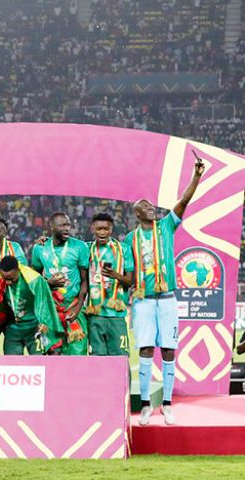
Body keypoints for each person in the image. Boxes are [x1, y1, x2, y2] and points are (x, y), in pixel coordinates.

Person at [128, 157, 204, 426]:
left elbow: (183, 202)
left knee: (169, 351)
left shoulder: (166, 226)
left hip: (168, 299)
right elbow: (125, 267)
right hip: (144, 301)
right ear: (138, 214)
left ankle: (168, 405)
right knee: (146, 349)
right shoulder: (131, 239)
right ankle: (147, 405)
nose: (151, 208)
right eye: (145, 206)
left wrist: (196, 176)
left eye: (150, 205)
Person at [31, 212, 90, 355]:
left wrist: (78, 307)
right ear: (51, 227)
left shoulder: (80, 247)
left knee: (77, 354)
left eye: (68, 225)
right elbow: (35, 280)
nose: (67, 228)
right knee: (52, 354)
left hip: (73, 308)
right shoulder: (39, 248)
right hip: (50, 309)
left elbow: (85, 281)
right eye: (62, 225)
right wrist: (48, 283)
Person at [86, 213, 133, 356]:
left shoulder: (123, 249)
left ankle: (125, 380)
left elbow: (130, 281)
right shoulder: (86, 248)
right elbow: (65, 242)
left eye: (106, 229)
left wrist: (116, 275)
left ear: (111, 229)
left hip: (116, 314)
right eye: (99, 229)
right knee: (97, 360)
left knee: (121, 358)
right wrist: (45, 240)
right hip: (95, 314)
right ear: (92, 229)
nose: (102, 232)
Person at [0, 256, 63, 355]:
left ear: (17, 270)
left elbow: (44, 303)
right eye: (5, 279)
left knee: (38, 362)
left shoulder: (33, 280)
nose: (8, 282)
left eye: (11, 279)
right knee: (11, 363)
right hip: (13, 328)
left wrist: (43, 322)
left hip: (33, 328)